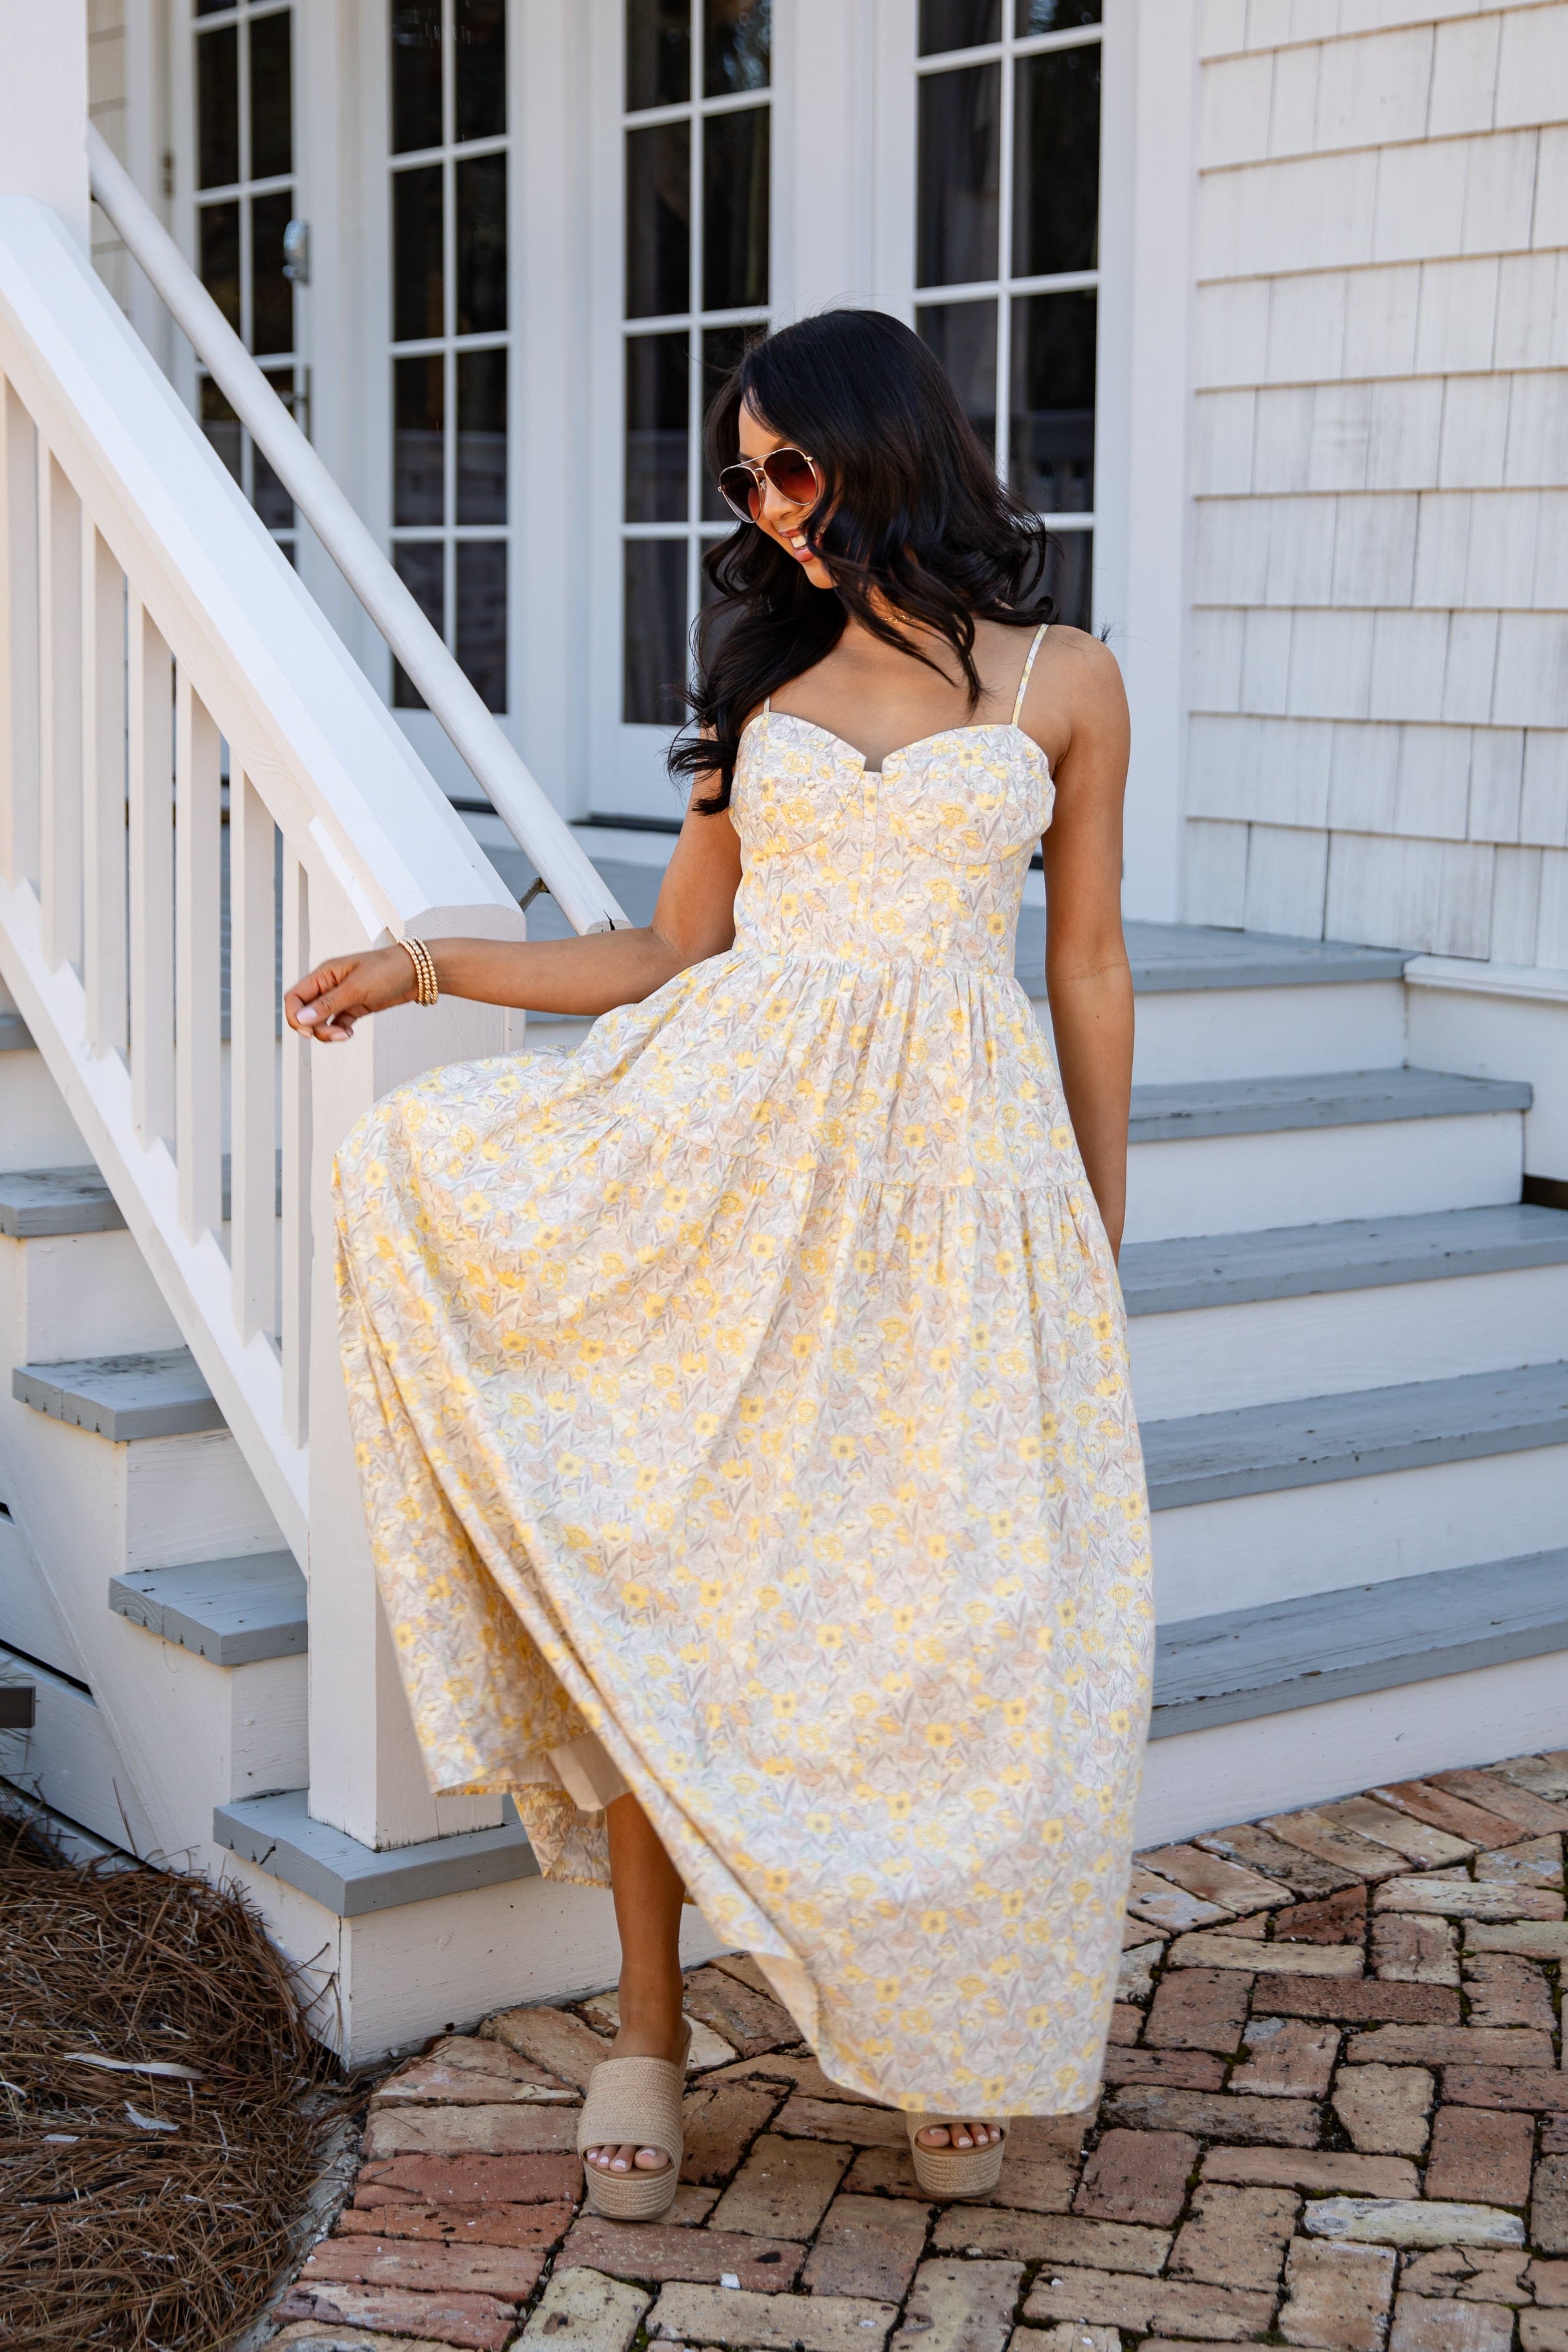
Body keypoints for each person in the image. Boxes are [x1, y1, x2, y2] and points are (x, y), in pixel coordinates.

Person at [285, 308, 1152, 2217]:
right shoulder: (762, 692)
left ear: (883, 450)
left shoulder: (1062, 682)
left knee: (948, 1621)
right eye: (739, 481)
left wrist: (1094, 1225)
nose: (763, 512)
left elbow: (1082, 968)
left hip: (953, 1195)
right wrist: (430, 967)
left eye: (789, 467)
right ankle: (650, 2033)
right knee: (678, 1599)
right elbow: (673, 957)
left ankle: (936, 2034)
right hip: (735, 1169)